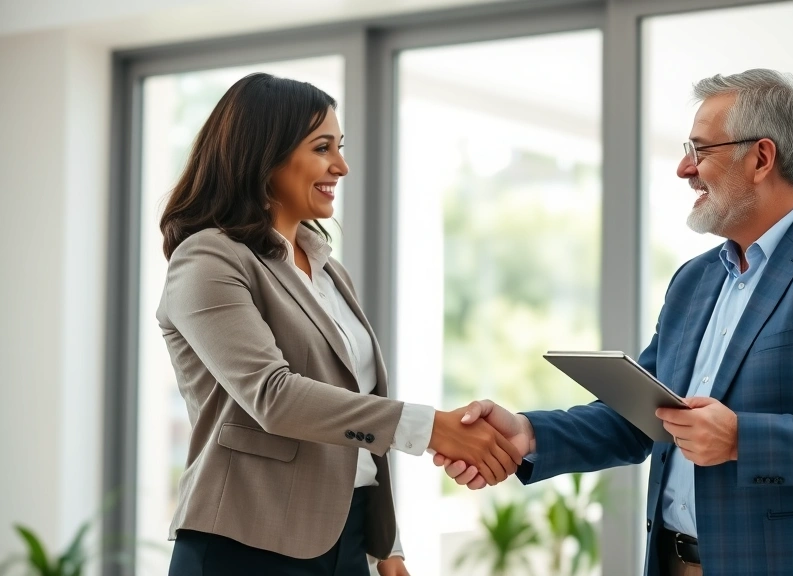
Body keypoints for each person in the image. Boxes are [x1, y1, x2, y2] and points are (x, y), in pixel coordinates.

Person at [433, 69, 793, 576]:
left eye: (700, 149)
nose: (684, 169)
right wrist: (530, 434)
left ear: (761, 158)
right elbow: (646, 417)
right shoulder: (694, 280)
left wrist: (740, 440)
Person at [157, 73, 521, 576]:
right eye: (322, 147)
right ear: (264, 155)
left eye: (340, 146)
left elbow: (352, 406)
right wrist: (430, 428)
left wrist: (385, 545)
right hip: (245, 543)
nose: (341, 166)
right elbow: (274, 397)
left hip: (345, 542)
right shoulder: (207, 259)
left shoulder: (326, 267)